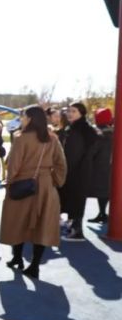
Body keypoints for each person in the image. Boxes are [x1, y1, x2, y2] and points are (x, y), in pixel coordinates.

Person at [0, 106, 67, 278]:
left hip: (22, 184)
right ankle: (35, 265)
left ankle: (17, 258)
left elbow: (14, 166)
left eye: (23, 116)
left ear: (30, 119)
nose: (21, 119)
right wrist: (54, 181)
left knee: (17, 221)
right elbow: (61, 164)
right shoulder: (52, 138)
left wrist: (9, 183)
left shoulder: (20, 138)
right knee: (42, 225)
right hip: (45, 186)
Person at [60, 102, 99, 241]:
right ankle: (73, 228)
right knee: (74, 200)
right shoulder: (78, 128)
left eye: (74, 111)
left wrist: (65, 169)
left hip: (77, 171)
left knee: (76, 200)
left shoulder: (79, 130)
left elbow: (73, 153)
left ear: (81, 113)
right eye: (69, 111)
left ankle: (77, 231)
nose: (70, 113)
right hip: (79, 169)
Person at [88, 108, 113, 224]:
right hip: (110, 166)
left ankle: (102, 213)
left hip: (99, 166)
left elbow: (92, 151)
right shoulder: (114, 132)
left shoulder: (98, 134)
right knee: (105, 191)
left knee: (102, 191)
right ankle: (102, 213)